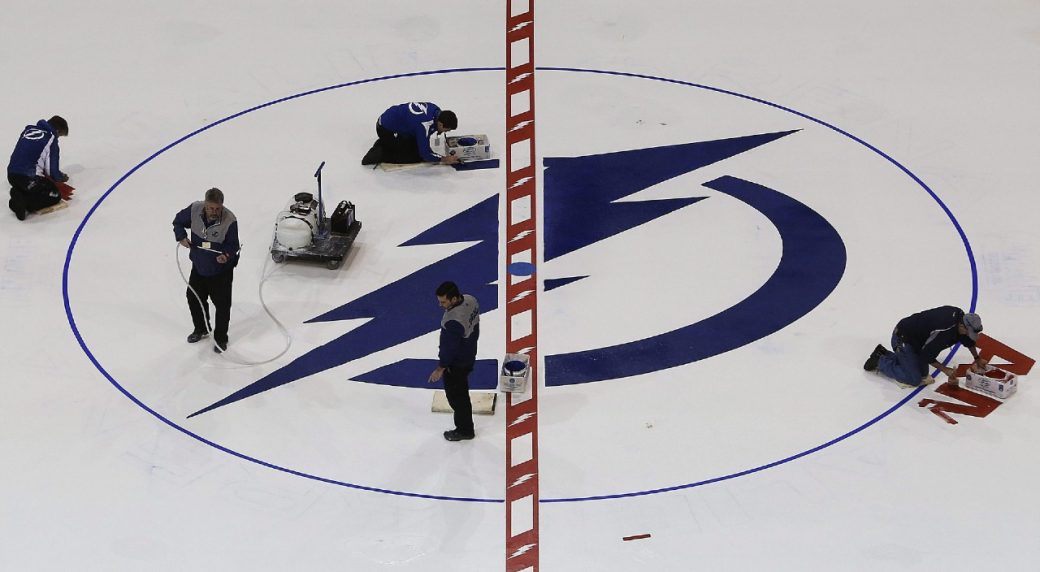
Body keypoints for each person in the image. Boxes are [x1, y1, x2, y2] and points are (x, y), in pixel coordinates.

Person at [172, 188, 240, 353]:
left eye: (217, 208)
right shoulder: (195, 209)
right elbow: (178, 221)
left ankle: (220, 339)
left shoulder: (230, 220)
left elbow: (233, 245)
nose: (214, 211)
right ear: (205, 204)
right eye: (210, 208)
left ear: (222, 206)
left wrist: (226, 255)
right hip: (199, 267)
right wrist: (181, 236)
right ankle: (201, 328)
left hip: (220, 273)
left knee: (222, 306)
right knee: (193, 298)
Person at [864, 305, 986, 387]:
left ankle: (884, 353)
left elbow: (968, 340)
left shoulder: (960, 320)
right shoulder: (943, 331)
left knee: (923, 373)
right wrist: (945, 370)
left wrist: (977, 358)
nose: (969, 335)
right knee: (914, 379)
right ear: (962, 326)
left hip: (917, 341)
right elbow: (926, 356)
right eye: (969, 332)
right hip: (903, 338)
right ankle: (880, 361)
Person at [428, 281, 480, 441]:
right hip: (470, 352)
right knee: (461, 393)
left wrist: (441, 367)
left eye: (443, 301)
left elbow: (448, 349)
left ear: (454, 298)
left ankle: (464, 430)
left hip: (456, 364)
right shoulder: (471, 300)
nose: (440, 305)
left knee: (458, 397)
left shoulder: (453, 321)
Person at [7, 115, 70, 220]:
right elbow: (52, 172)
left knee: (29, 185)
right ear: (57, 131)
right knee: (54, 195)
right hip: (29, 178)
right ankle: (24, 203)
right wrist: (60, 177)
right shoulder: (51, 139)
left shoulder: (29, 130)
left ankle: (18, 191)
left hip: (12, 175)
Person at [361, 102, 460, 166]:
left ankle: (388, 142)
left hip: (387, 121)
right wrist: (444, 159)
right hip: (386, 131)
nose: (445, 132)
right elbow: (425, 154)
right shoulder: (425, 125)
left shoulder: (435, 109)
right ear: (441, 124)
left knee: (415, 145)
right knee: (416, 156)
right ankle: (380, 153)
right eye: (446, 130)